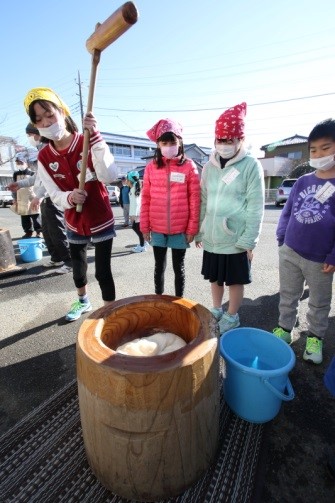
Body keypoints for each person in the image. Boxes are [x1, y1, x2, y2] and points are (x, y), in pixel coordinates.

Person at [24, 87, 118, 321]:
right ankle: (83, 301)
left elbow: (109, 175)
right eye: (39, 120)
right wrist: (69, 198)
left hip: (100, 216)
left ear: (63, 112)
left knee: (103, 271)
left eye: (49, 115)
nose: (46, 122)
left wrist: (95, 137)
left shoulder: (87, 140)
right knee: (78, 268)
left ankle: (110, 312)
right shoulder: (44, 157)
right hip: (74, 221)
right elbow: (52, 193)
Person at [195, 102, 265, 334]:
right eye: (220, 140)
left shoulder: (250, 165)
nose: (224, 145)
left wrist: (249, 239)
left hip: (236, 236)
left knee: (235, 280)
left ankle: (232, 315)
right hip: (213, 235)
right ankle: (217, 309)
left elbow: (256, 205)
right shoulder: (208, 167)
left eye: (230, 140)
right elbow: (203, 199)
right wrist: (199, 229)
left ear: (240, 140)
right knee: (215, 277)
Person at [272, 118, 335, 364]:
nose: (318, 154)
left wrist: (333, 256)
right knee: (288, 295)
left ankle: (315, 337)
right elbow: (287, 211)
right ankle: (284, 329)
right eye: (313, 149)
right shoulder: (303, 181)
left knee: (319, 302)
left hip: (321, 260)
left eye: (326, 148)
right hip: (290, 250)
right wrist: (281, 238)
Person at [140, 118, 200, 297]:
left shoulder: (189, 166)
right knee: (159, 267)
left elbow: (195, 200)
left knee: (178, 268)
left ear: (180, 142)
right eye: (164, 142)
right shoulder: (151, 168)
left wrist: (192, 229)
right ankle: (159, 300)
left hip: (180, 229)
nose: (168, 146)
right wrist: (144, 227)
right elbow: (146, 198)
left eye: (172, 142)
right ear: (158, 144)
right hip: (157, 228)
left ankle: (178, 303)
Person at [8, 124, 72, 274]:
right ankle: (57, 258)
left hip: (52, 198)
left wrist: (39, 196)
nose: (29, 139)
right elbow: (38, 177)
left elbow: (50, 178)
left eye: (29, 135)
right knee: (47, 231)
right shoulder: (41, 150)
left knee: (57, 231)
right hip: (45, 199)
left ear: (36, 134)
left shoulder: (48, 149)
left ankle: (69, 261)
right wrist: (19, 184)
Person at [11, 154, 43, 239]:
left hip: (32, 197)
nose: (19, 164)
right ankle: (28, 232)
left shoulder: (32, 173)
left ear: (26, 163)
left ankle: (39, 232)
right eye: (17, 162)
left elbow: (38, 185)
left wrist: (39, 197)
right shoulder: (15, 174)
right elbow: (14, 187)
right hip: (21, 198)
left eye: (21, 162)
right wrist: (14, 198)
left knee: (35, 216)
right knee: (24, 217)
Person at [127, 170, 147, 253]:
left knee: (136, 228)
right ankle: (143, 243)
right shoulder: (135, 187)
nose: (126, 181)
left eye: (127, 179)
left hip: (137, 213)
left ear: (130, 180)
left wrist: (133, 215)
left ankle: (143, 246)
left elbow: (136, 203)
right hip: (138, 213)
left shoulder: (134, 188)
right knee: (138, 228)